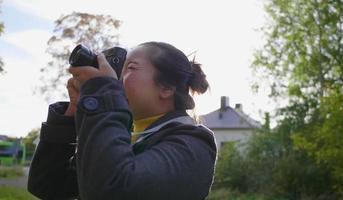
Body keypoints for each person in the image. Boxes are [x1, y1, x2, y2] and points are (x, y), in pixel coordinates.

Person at [28, 41, 217, 200]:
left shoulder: (194, 145)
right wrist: (73, 113)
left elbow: (112, 190)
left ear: (167, 87)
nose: (117, 78)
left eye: (131, 68)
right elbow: (46, 185)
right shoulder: (123, 135)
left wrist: (102, 93)